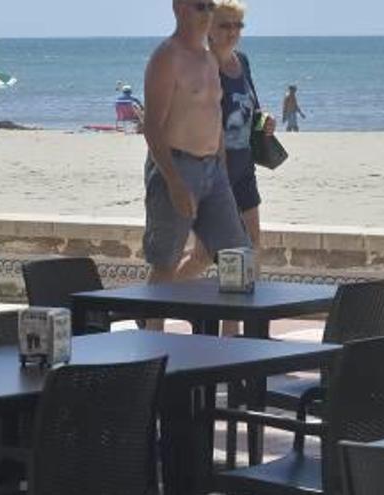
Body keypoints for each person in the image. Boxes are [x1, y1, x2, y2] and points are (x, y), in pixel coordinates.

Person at [142, 0, 251, 331]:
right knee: (166, 259)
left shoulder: (208, 57)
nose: (205, 14)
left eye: (209, 7)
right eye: (198, 6)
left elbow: (214, 115)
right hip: (176, 165)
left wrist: (221, 164)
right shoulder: (167, 57)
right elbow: (153, 126)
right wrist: (174, 181)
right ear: (178, 8)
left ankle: (232, 341)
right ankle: (151, 337)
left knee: (236, 256)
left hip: (212, 170)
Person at [176, 0, 276, 336]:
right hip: (213, 172)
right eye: (224, 26)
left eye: (237, 26)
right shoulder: (203, 66)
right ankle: (151, 301)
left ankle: (232, 332)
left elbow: (250, 108)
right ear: (208, 28)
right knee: (205, 256)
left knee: (250, 249)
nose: (232, 32)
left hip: (244, 167)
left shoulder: (241, 62)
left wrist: (265, 121)